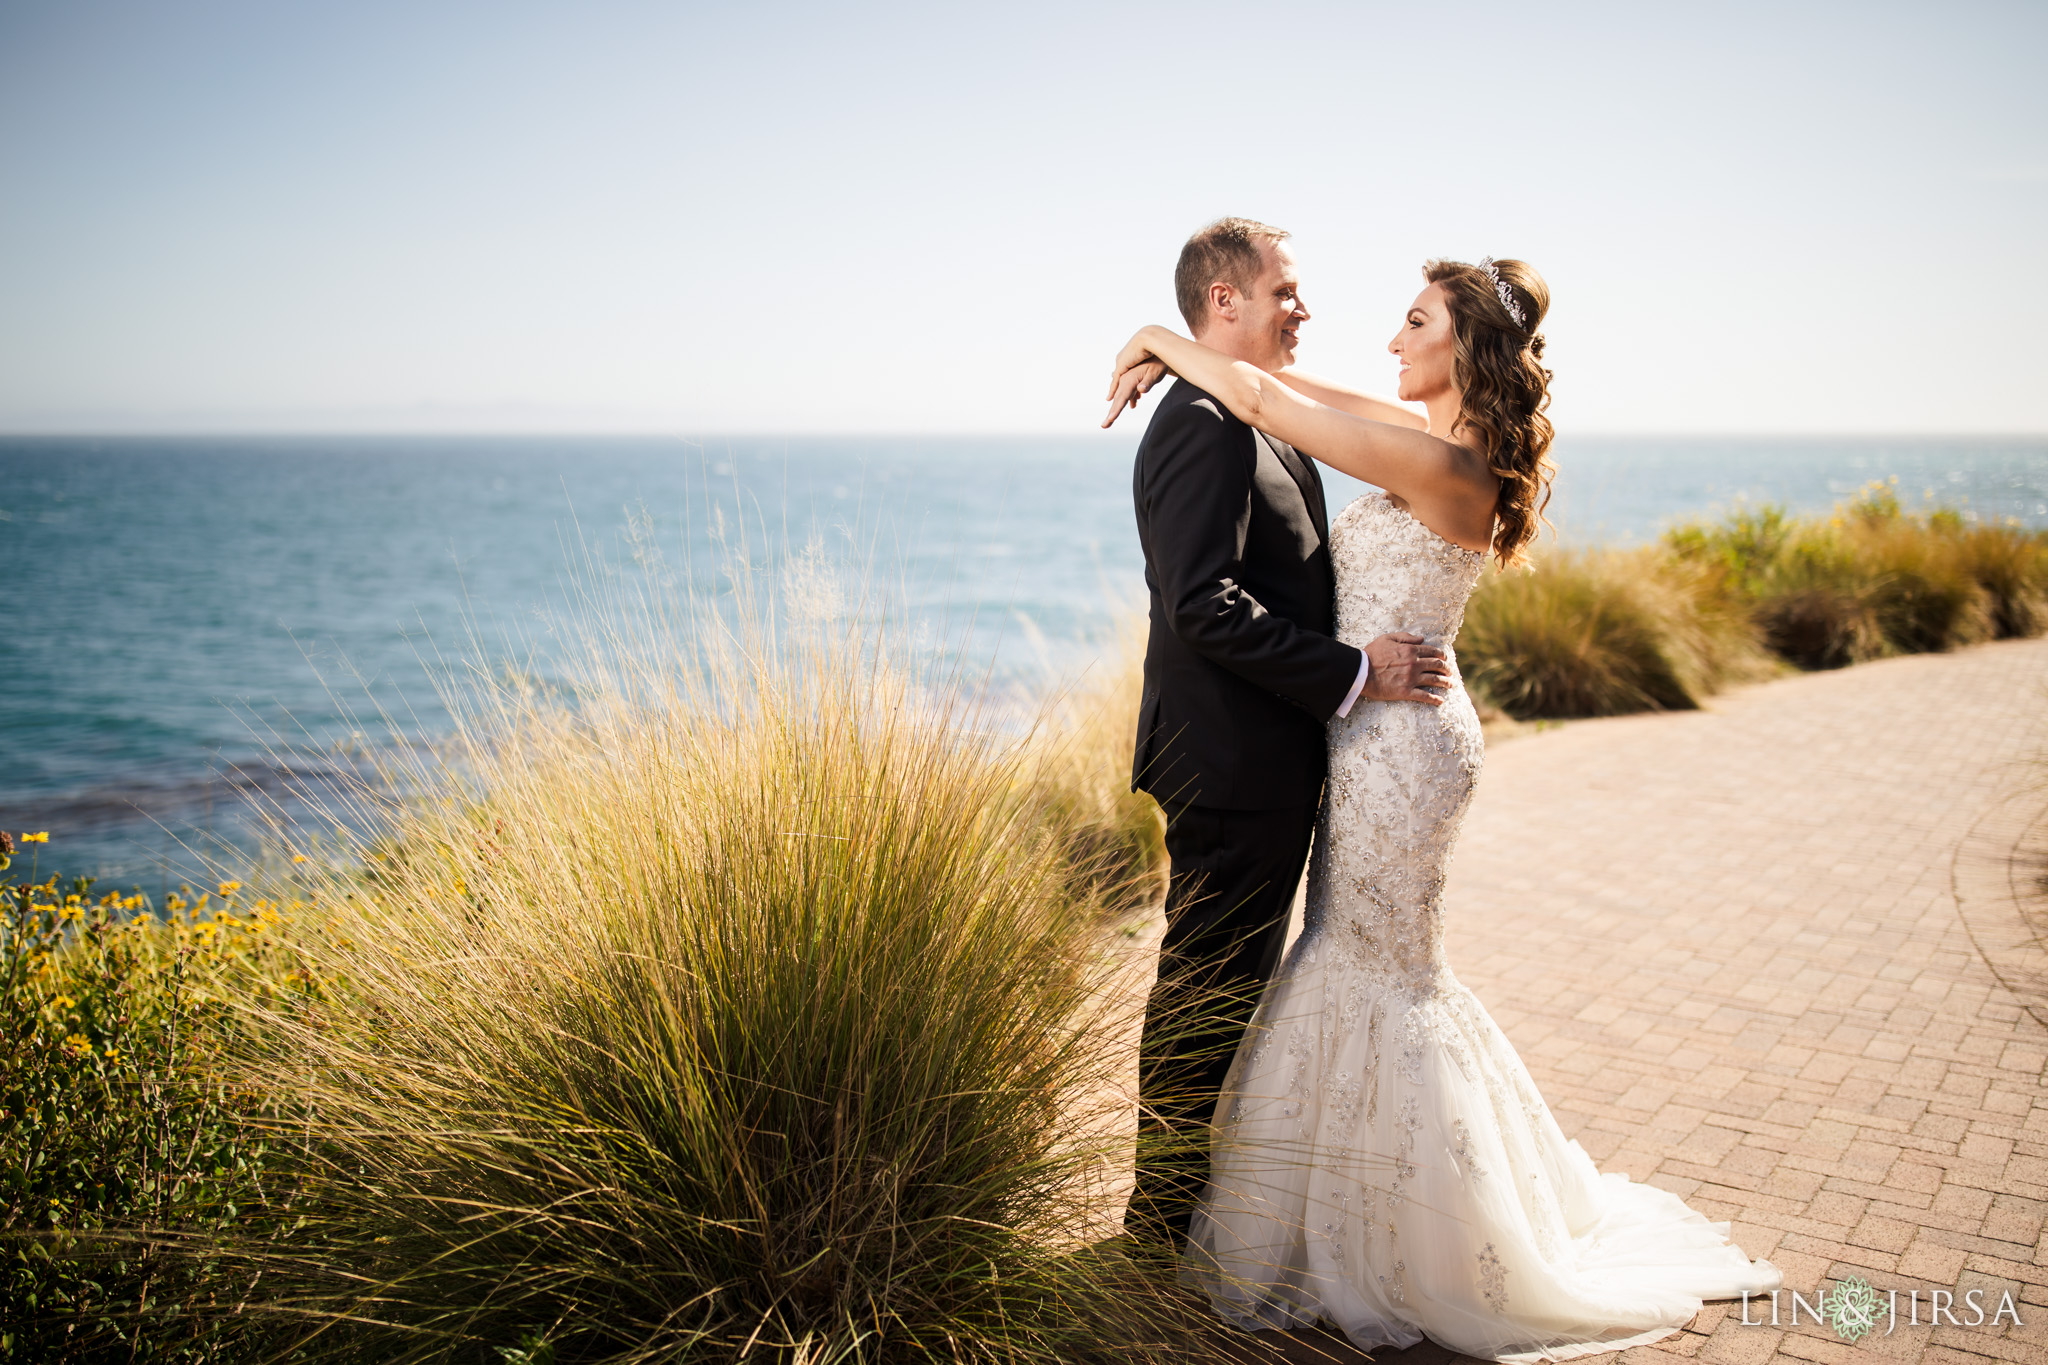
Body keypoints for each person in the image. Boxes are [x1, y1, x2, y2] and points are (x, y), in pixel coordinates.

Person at [1105, 243, 1782, 1361]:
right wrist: (1181, 350)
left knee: (1367, 968)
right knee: (1353, 963)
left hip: (1396, 743)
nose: (1387, 338)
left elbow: (1273, 394)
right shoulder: (1433, 443)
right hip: (1373, 734)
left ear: (1461, 346)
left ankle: (1376, 1228)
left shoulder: (1442, 471)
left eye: (1412, 322)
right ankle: (1333, 1209)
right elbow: (1293, 396)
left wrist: (1150, 339)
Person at [1117, 219, 1451, 1254]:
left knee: (1234, 983)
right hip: (1226, 764)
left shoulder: (1261, 414)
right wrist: (1352, 673)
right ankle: (1154, 1227)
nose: (1302, 309)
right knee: (1207, 989)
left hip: (1270, 756)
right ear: (1224, 302)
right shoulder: (1205, 423)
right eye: (1285, 293)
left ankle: (1194, 1207)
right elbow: (1200, 607)